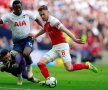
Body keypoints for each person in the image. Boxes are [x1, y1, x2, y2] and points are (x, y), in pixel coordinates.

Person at [29, 5, 98, 79]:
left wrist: (74, 39)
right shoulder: (46, 23)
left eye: (43, 14)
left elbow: (64, 29)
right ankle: (48, 80)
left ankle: (87, 65)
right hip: (55, 48)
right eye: (41, 15)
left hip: (62, 46)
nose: (42, 16)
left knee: (69, 68)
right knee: (40, 63)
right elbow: (44, 29)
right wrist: (35, 36)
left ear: (48, 12)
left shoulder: (53, 21)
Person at [0, 0, 43, 79]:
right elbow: (1, 21)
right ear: (13, 8)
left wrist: (44, 27)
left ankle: (29, 67)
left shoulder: (27, 13)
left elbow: (36, 19)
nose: (18, 9)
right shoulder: (9, 16)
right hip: (17, 42)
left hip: (27, 39)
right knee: (18, 60)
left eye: (19, 8)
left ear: (21, 7)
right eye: (16, 8)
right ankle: (19, 75)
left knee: (26, 53)